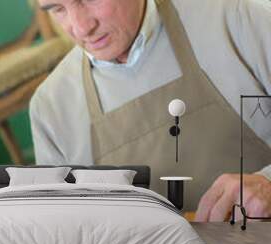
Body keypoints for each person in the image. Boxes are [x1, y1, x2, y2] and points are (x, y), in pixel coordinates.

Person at [29, 0, 271, 221]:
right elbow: (63, 228)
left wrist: (268, 183)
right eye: (58, 9)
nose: (81, 28)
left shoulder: (235, 19)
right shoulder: (50, 108)